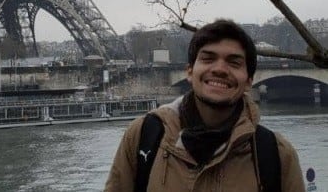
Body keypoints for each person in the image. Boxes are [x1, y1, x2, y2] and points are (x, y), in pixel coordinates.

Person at [105, 19, 305, 192]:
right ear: (189, 72)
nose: (219, 69)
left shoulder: (278, 155)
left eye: (234, 62)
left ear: (249, 81)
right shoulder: (143, 136)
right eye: (208, 58)